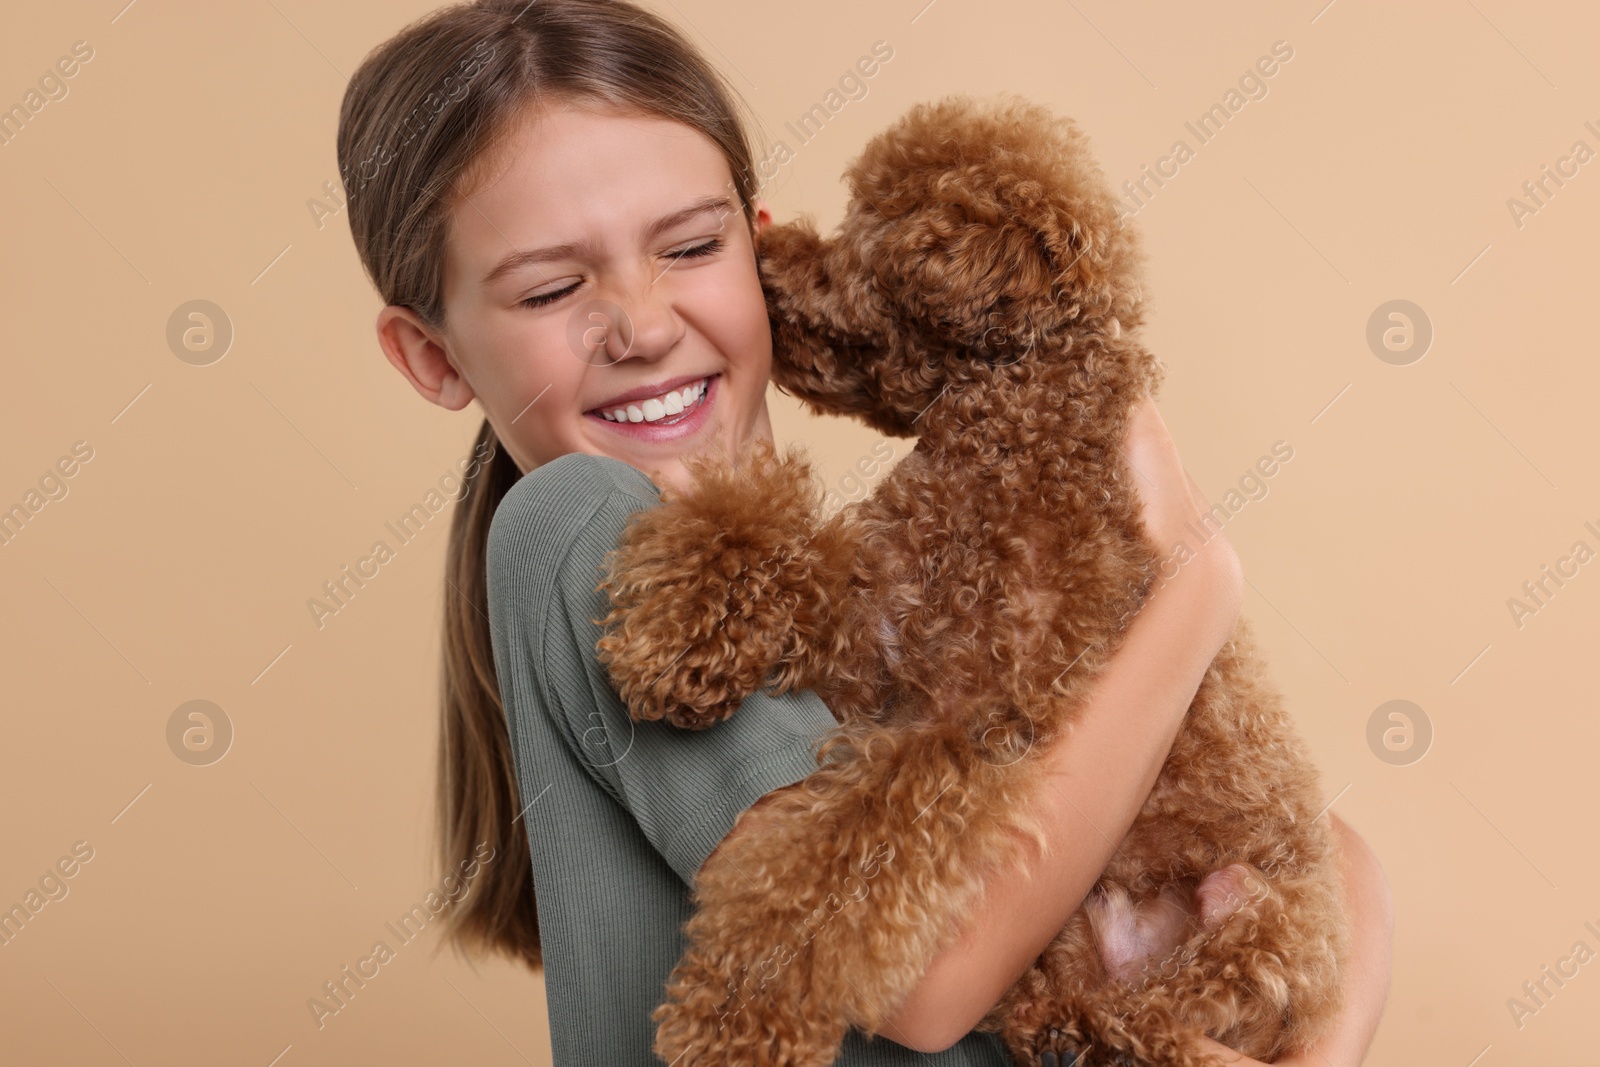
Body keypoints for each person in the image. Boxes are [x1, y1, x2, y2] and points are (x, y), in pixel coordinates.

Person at [337, 0, 1394, 1062]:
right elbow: (922, 978)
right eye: (554, 287)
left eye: (692, 245)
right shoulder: (582, 520)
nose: (646, 325)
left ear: (761, 258)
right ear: (432, 355)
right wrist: (1198, 585)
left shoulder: (842, 596)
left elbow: (1334, 854)